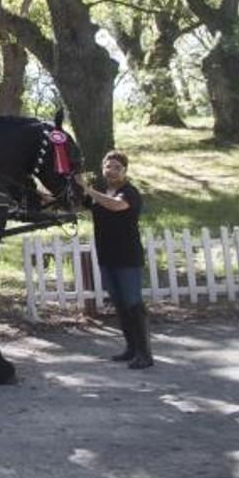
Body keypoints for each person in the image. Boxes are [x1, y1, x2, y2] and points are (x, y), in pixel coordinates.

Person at [78, 150, 152, 369]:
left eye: (116, 168)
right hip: (106, 256)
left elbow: (115, 205)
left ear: (125, 171)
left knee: (133, 304)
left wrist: (87, 189)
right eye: (108, 167)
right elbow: (77, 205)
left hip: (128, 257)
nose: (111, 171)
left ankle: (145, 354)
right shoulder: (100, 192)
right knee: (119, 304)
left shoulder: (129, 192)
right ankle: (131, 349)